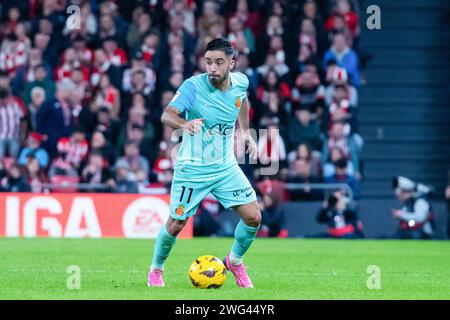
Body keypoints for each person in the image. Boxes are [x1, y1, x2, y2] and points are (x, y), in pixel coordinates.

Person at [149, 39, 261, 288]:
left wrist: (245, 133)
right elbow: (167, 115)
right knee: (176, 223)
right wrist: (184, 124)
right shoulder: (192, 86)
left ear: (232, 63)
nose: (212, 68)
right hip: (192, 168)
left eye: (219, 62)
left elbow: (242, 101)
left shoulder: (241, 82)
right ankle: (156, 269)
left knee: (253, 217)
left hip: (224, 166)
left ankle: (234, 261)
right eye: (208, 62)